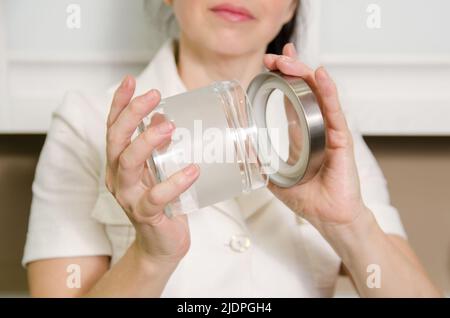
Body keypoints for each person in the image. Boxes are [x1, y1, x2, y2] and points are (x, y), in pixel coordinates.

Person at [23, 0, 441, 297]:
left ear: (291, 7)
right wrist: (151, 258)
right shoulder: (86, 123)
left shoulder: (328, 133)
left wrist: (347, 224)